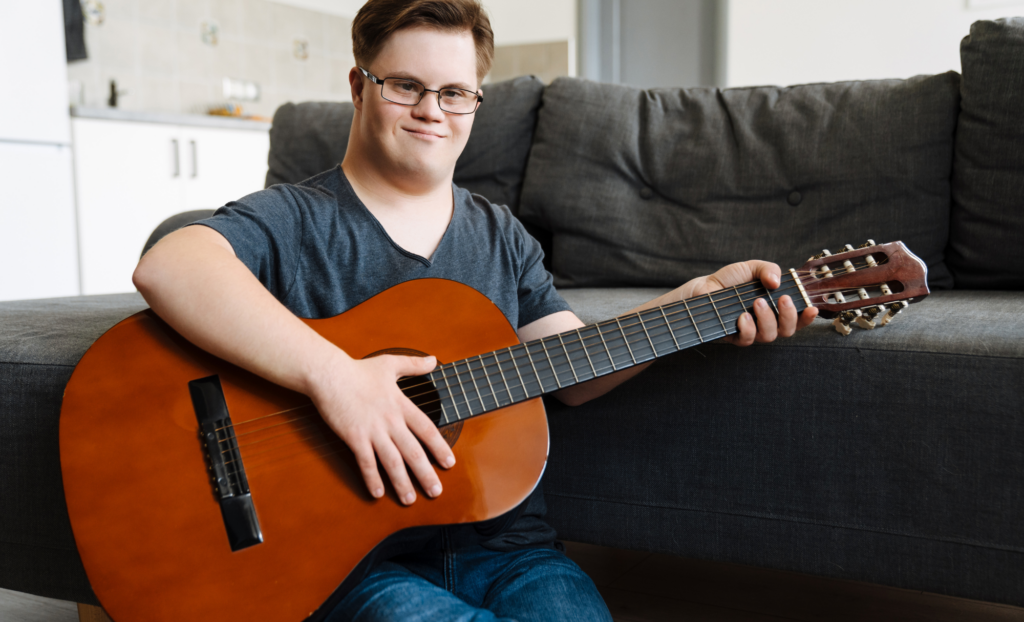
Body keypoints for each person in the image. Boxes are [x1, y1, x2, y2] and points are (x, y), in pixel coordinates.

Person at [133, 0, 818, 619]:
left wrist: (691, 308)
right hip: (357, 564)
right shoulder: (295, 217)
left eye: (455, 93)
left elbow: (572, 371)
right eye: (406, 86)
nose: (433, 109)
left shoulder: (502, 236)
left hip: (512, 547)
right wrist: (336, 379)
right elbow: (169, 265)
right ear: (357, 86)